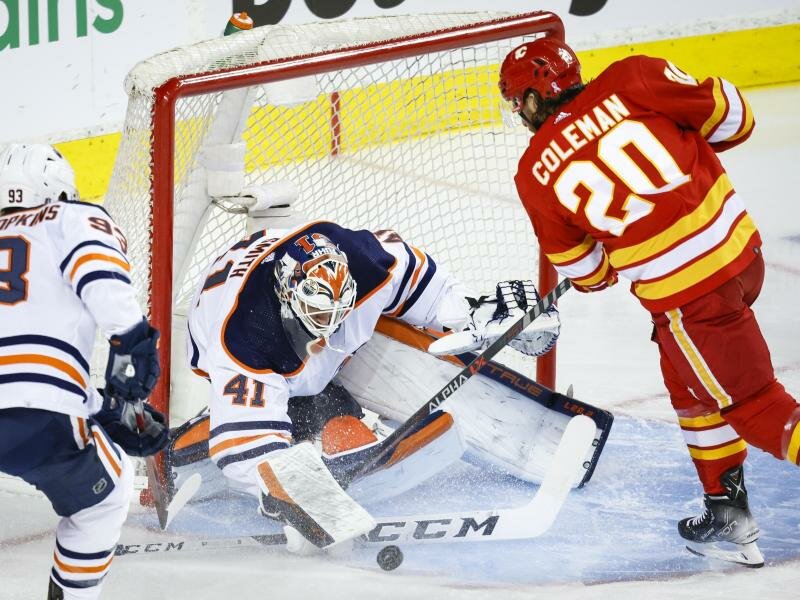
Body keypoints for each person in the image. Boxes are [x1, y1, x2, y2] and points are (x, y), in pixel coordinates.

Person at [498, 37, 800, 566]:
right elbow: (737, 119)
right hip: (743, 258)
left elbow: (589, 277)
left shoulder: (534, 173)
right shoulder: (633, 77)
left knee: (755, 407)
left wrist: (619, 242)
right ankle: (726, 507)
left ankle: (728, 505)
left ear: (528, 100)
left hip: (693, 301)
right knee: (682, 372)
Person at [185, 215, 561, 550]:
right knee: (280, 402)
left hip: (285, 268)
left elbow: (434, 295)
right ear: (286, 293)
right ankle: (194, 440)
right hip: (216, 312)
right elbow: (247, 454)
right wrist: (298, 493)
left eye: (339, 310)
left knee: (388, 322)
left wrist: (478, 312)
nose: (330, 324)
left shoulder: (370, 262)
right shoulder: (241, 337)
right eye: (319, 313)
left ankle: (334, 419)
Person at [0, 143, 166, 599]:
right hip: (35, 414)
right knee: (106, 498)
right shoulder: (69, 219)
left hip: (37, 399)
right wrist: (130, 349)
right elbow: (101, 281)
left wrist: (103, 410)